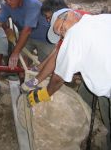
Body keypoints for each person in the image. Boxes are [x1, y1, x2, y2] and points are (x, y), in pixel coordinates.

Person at [27, 8, 111, 149]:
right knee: (86, 93)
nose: (62, 34)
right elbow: (57, 56)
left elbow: (59, 78)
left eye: (60, 28)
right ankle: (88, 129)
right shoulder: (102, 19)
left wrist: (45, 93)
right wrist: (37, 75)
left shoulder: (74, 33)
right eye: (60, 34)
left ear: (70, 14)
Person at [0, 0, 54, 81]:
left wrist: (15, 52)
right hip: (26, 36)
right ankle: (23, 84)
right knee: (22, 63)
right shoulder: (7, 5)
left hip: (45, 37)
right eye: (6, 0)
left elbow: (27, 30)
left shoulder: (31, 4)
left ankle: (45, 87)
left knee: (46, 64)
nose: (8, 2)